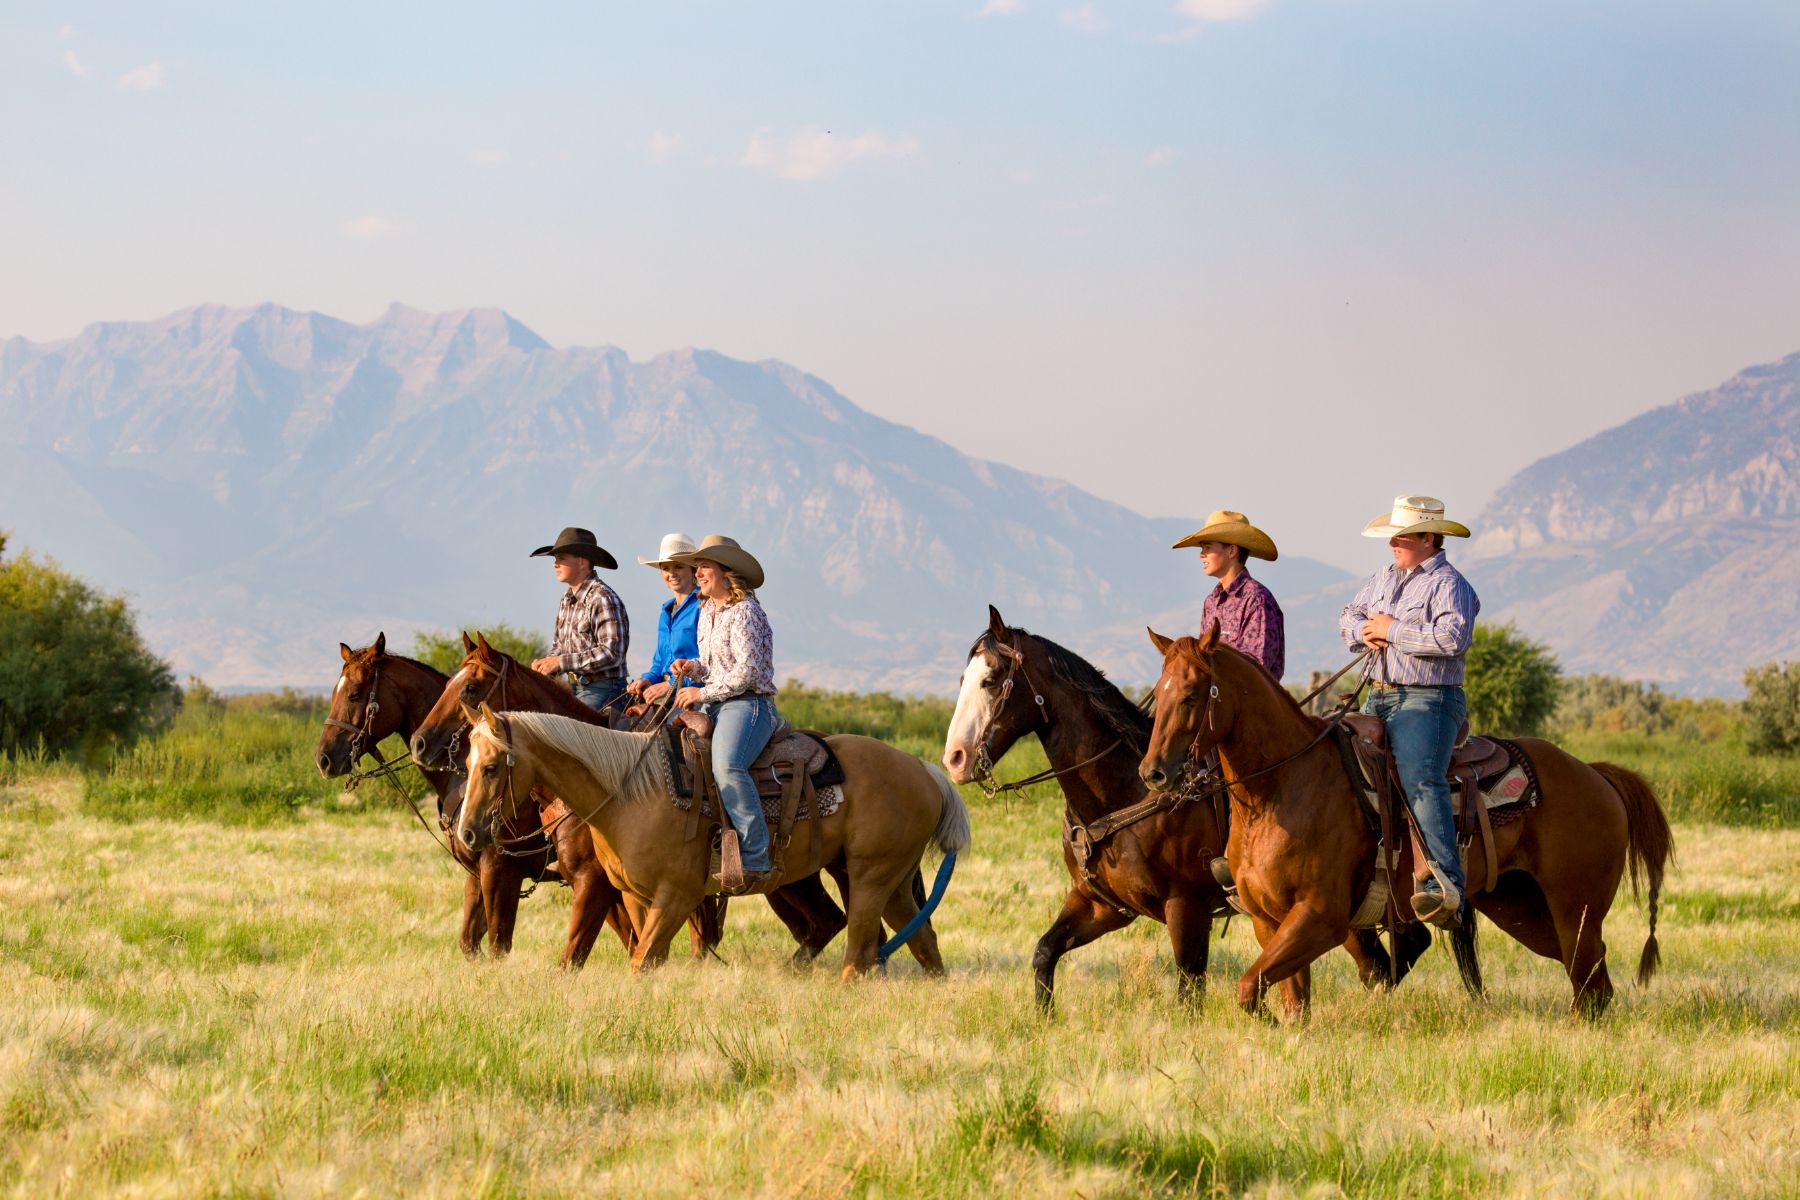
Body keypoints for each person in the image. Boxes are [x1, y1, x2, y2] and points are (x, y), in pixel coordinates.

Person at [1339, 495, 1481, 929]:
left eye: (1401, 536)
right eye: (1392, 536)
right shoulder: (1383, 577)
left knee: (1420, 778)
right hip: (1376, 695)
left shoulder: (1449, 584)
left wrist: (1392, 630)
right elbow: (1349, 615)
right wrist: (1364, 631)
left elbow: (1452, 639)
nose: (1392, 544)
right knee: (1338, 766)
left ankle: (1443, 884)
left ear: (1427, 537)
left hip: (1428, 699)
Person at [666, 535, 781, 893]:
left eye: (704, 566)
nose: (696, 572)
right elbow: (717, 666)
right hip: (718, 700)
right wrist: (693, 667)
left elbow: (746, 672)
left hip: (749, 704)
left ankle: (756, 857)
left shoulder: (745, 611)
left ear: (725, 571)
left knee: (727, 766)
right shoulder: (707, 613)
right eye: (697, 566)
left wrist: (701, 692)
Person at [1172, 509, 1285, 681]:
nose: (1201, 554)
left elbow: (1256, 671)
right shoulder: (1211, 602)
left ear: (1232, 551)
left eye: (1208, 547)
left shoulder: (1257, 600)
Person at [528, 526, 630, 712]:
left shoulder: (603, 598)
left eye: (561, 558)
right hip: (575, 688)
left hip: (605, 689)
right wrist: (547, 663)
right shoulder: (567, 599)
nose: (555, 564)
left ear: (582, 562)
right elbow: (559, 646)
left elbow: (611, 654)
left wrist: (560, 663)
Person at [625, 532, 704, 706]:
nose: (672, 573)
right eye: (666, 568)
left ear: (693, 571)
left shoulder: (703, 606)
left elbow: (707, 662)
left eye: (678, 567)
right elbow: (660, 661)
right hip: (665, 692)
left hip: (692, 694)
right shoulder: (666, 611)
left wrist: (668, 686)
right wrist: (648, 680)